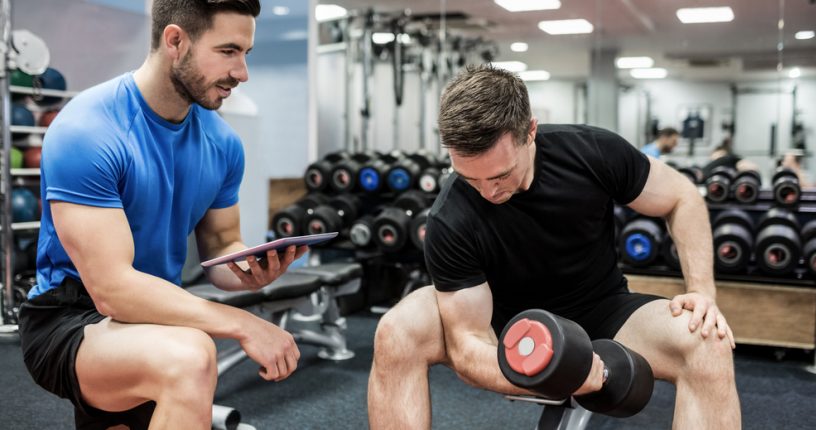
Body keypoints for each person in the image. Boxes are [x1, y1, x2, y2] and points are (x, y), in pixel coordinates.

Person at [368, 65, 740, 429]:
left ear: (530, 131)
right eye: (470, 178)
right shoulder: (450, 217)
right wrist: (560, 372)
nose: (488, 191)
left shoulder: (590, 151)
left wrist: (702, 292)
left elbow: (682, 197)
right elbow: (468, 347)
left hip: (602, 313)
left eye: (500, 175)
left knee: (707, 343)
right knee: (397, 330)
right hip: (501, 323)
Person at [18, 1, 307, 428]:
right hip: (70, 319)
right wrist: (244, 324)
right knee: (189, 356)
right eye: (228, 51)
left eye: (246, 54)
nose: (242, 73)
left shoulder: (224, 145)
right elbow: (111, 291)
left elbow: (222, 245)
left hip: (153, 311)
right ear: (175, 41)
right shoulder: (88, 129)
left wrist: (249, 267)